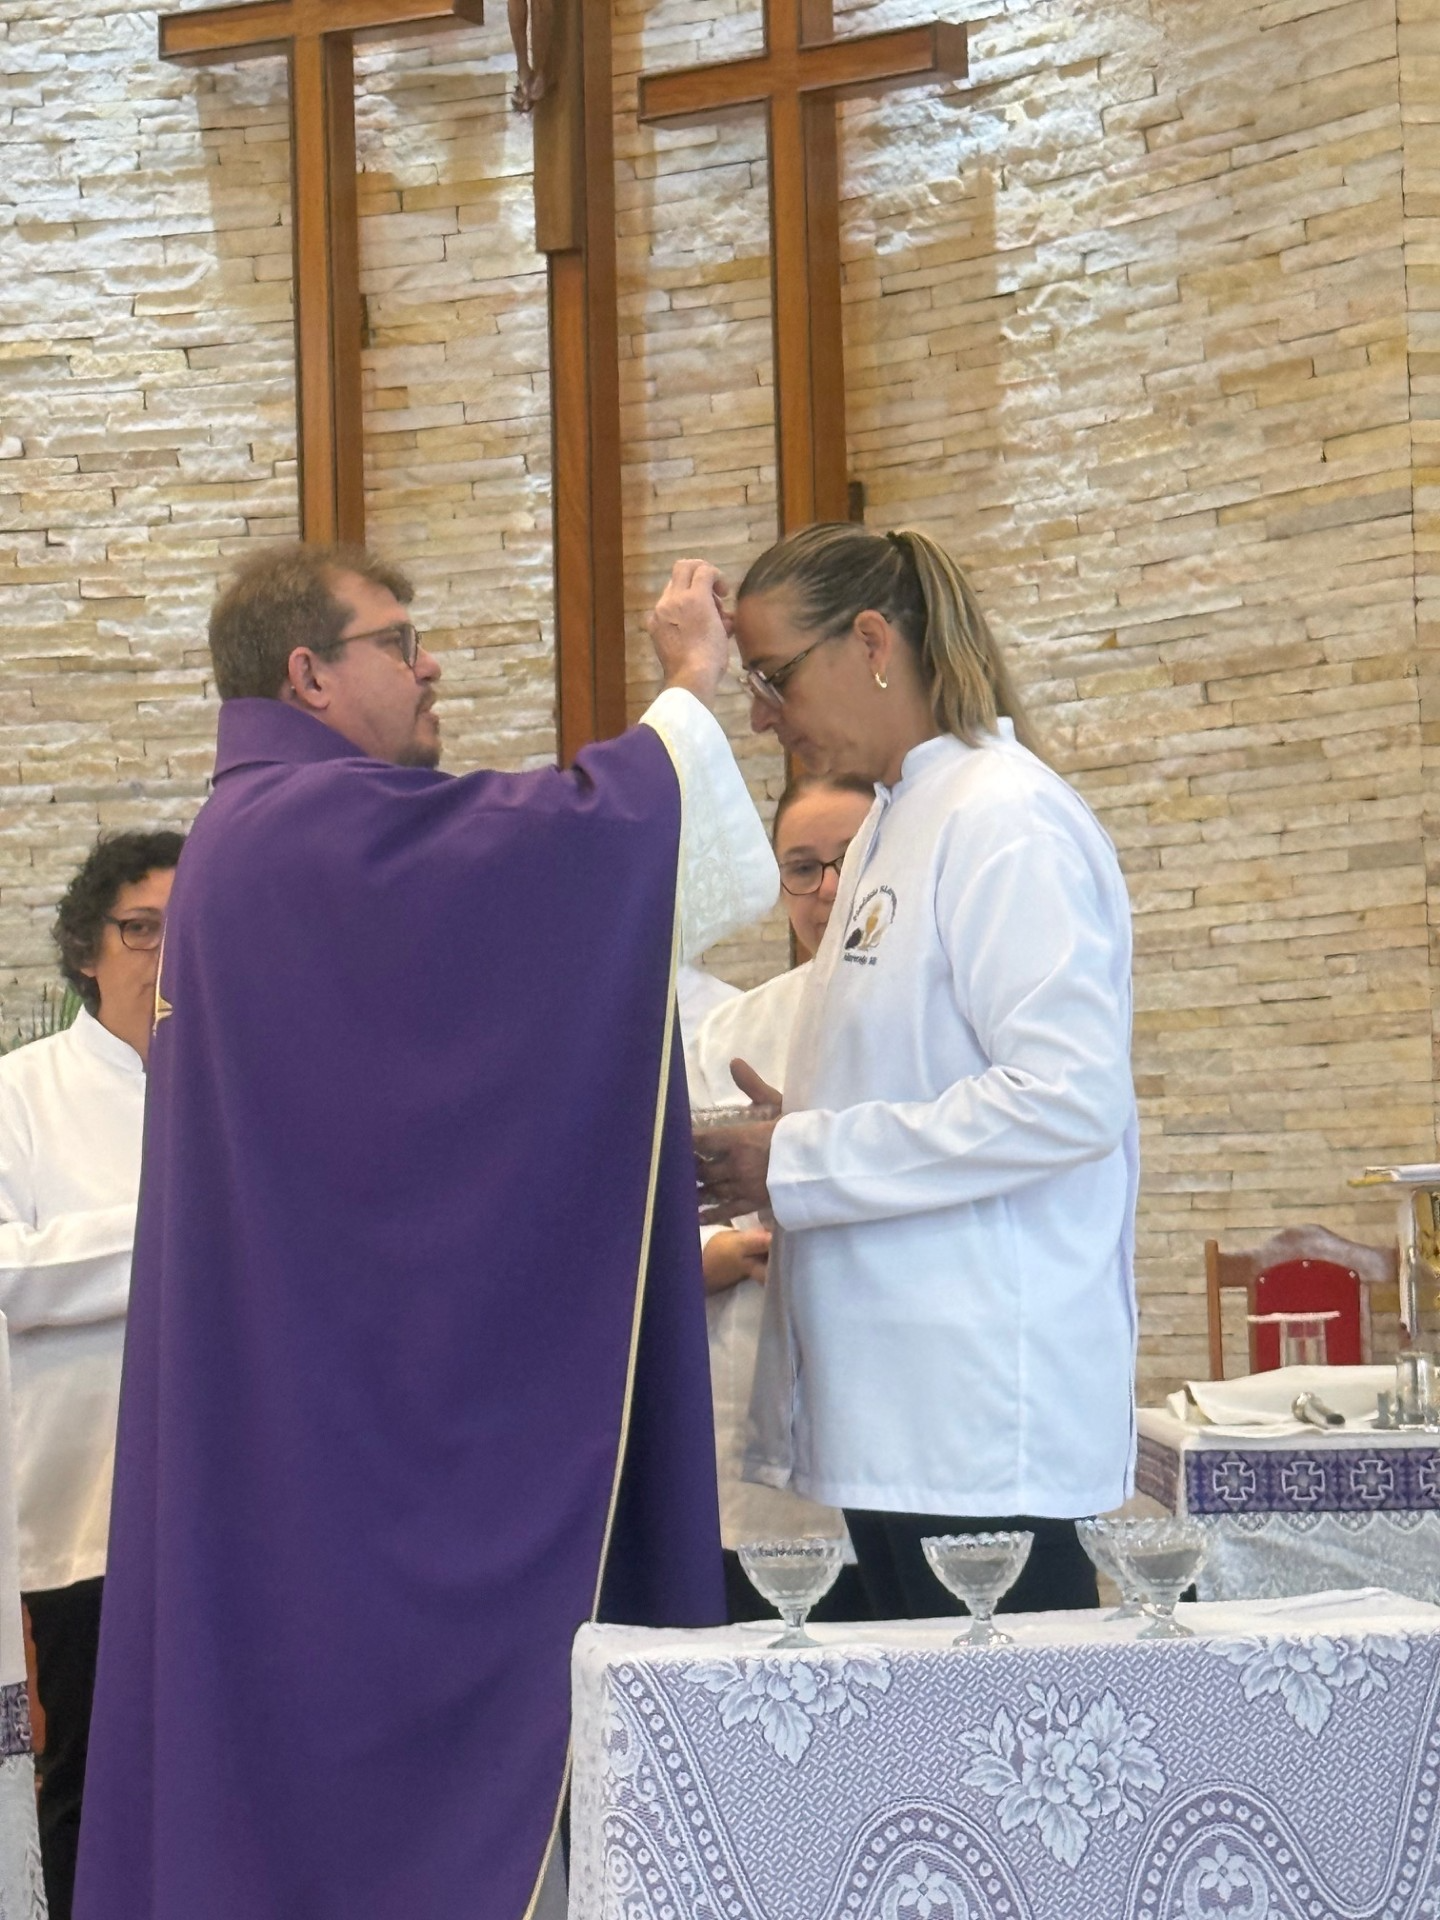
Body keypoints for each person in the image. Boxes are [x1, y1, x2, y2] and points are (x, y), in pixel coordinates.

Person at [74, 546, 777, 1920]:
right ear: (309, 675)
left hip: (300, 1414)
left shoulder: (262, 830)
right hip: (344, 1446)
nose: (433, 661)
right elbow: (570, 851)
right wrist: (688, 690)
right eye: (405, 639)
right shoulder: (300, 829)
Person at [696, 522, 1138, 1621]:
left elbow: (1068, 1097)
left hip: (979, 1419)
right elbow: (932, 1079)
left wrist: (797, 1154)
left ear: (874, 640)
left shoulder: (1004, 817)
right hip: (897, 1409)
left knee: (1008, 1779)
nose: (760, 714)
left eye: (774, 676)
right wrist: (798, 1128)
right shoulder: (899, 820)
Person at [0, 829, 184, 1920]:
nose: (167, 951)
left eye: (189, 927)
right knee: (90, 1785)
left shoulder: (248, 1088)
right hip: (84, 1511)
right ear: (87, 950)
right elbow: (11, 1273)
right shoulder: (22, 1093)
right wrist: (178, 1230)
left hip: (243, 1504)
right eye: (140, 927)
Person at [689, 774, 874, 1623]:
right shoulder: (724, 1032)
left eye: (853, 858)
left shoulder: (947, 1018)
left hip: (903, 1425)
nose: (829, 887)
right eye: (803, 866)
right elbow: (649, 1222)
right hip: (754, 1414)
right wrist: (723, 1254)